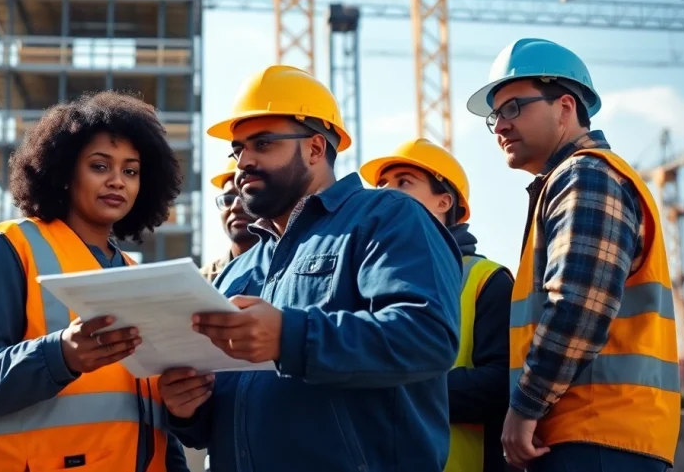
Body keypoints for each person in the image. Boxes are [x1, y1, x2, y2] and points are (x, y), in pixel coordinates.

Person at [157, 65, 464, 472]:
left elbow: (427, 337)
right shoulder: (238, 270)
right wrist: (189, 410)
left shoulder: (388, 217)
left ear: (316, 149)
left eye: (262, 143)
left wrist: (290, 336)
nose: (243, 161)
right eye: (238, 149)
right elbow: (227, 415)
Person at [0, 91, 190, 472]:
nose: (117, 182)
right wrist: (61, 355)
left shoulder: (132, 274)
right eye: (99, 166)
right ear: (64, 171)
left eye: (130, 171)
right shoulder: (8, 248)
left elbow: (149, 422)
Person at [465, 38, 680, 472]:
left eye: (513, 108)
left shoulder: (586, 175)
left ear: (565, 107)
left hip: (595, 437)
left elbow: (578, 306)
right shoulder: (575, 180)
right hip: (596, 435)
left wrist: (524, 408)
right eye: (495, 115)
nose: (500, 125)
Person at [359, 138, 514, 472]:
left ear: (444, 201)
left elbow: (502, 383)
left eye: (403, 182)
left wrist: (399, 387)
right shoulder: (364, 282)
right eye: (382, 185)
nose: (387, 193)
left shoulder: (487, 280)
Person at [200, 159, 257, 282]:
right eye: (228, 199)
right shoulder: (203, 281)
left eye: (248, 196)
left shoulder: (290, 272)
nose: (235, 207)